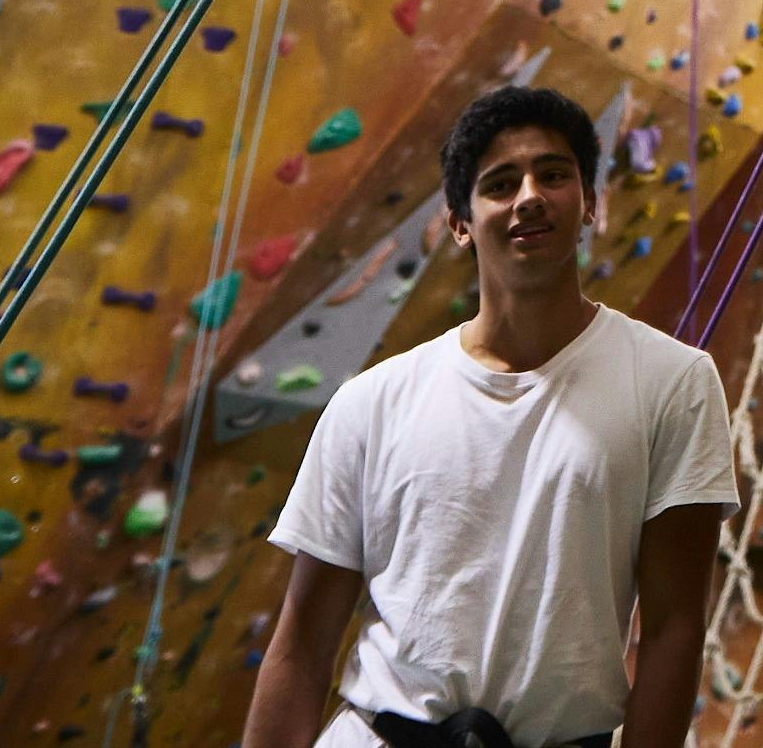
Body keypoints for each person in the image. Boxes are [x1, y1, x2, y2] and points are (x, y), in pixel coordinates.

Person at [244, 84, 729, 748]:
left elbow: (674, 628)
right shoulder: (372, 402)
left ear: (589, 202)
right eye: (501, 183)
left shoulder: (673, 383)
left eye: (553, 175)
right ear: (460, 223)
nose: (529, 195)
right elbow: (302, 645)